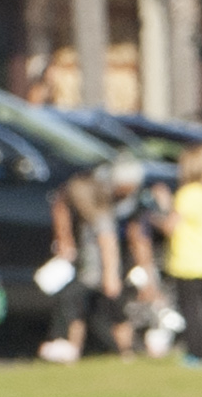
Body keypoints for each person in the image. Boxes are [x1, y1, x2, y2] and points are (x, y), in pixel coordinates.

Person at [38, 152, 142, 364]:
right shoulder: (88, 217)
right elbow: (60, 202)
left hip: (99, 276)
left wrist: (111, 276)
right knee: (78, 310)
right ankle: (73, 350)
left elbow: (109, 246)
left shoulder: (101, 217)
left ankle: (128, 351)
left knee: (113, 313)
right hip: (88, 274)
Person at [161, 142, 202, 368]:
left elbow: (171, 226)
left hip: (185, 260)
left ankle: (195, 353)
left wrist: (157, 213)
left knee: (189, 309)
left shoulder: (186, 195)